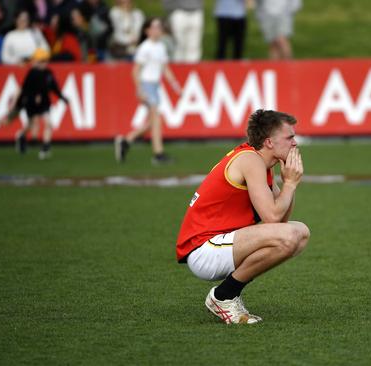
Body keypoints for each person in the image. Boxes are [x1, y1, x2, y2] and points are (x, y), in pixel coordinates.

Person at [176, 109, 310, 324]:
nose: (295, 143)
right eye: (289, 137)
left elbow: (281, 220)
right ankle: (223, 296)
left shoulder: (260, 162)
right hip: (204, 249)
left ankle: (227, 294)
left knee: (300, 233)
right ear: (268, 142)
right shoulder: (250, 160)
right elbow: (273, 219)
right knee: (291, 235)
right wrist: (290, 184)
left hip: (219, 244)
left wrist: (289, 185)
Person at [115, 17, 181, 165]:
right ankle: (158, 154)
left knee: (154, 121)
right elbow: (135, 71)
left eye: (159, 27)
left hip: (155, 86)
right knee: (156, 120)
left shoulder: (161, 47)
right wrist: (140, 89)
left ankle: (126, 140)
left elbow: (165, 69)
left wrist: (175, 86)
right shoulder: (145, 47)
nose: (158, 30)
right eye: (155, 27)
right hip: (147, 85)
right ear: (147, 31)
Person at [0, 48, 68, 159]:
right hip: (27, 102)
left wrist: (62, 97)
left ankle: (45, 147)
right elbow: (22, 88)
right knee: (9, 122)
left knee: (47, 123)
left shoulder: (48, 73)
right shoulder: (33, 73)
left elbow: (54, 87)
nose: (43, 63)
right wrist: (15, 102)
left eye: (45, 60)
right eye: (41, 61)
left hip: (43, 103)